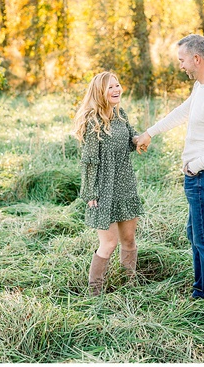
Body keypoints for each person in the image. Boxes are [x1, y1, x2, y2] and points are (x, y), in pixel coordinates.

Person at [136, 34, 204, 307]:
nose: (180, 66)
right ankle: (201, 290)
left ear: (196, 59)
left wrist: (194, 166)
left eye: (182, 60)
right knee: (196, 234)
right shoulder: (203, 87)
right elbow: (184, 111)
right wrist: (150, 132)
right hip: (201, 177)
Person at [73, 71, 145, 296]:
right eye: (110, 87)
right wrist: (91, 193)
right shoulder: (93, 121)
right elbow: (89, 161)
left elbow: (131, 141)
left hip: (125, 185)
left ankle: (128, 285)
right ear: (100, 93)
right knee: (109, 243)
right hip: (103, 188)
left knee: (129, 240)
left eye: (118, 85)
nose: (116, 90)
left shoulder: (121, 115)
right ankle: (95, 293)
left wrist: (144, 138)